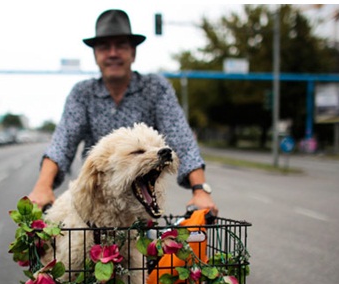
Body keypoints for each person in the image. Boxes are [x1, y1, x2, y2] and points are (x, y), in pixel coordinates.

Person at [29, 9, 218, 215]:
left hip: (139, 203)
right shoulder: (82, 93)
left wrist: (200, 190)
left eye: (120, 45)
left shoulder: (155, 88)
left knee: (150, 244)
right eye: (104, 47)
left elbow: (181, 138)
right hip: (97, 204)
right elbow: (62, 142)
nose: (112, 53)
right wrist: (43, 187)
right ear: (96, 56)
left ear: (133, 53)